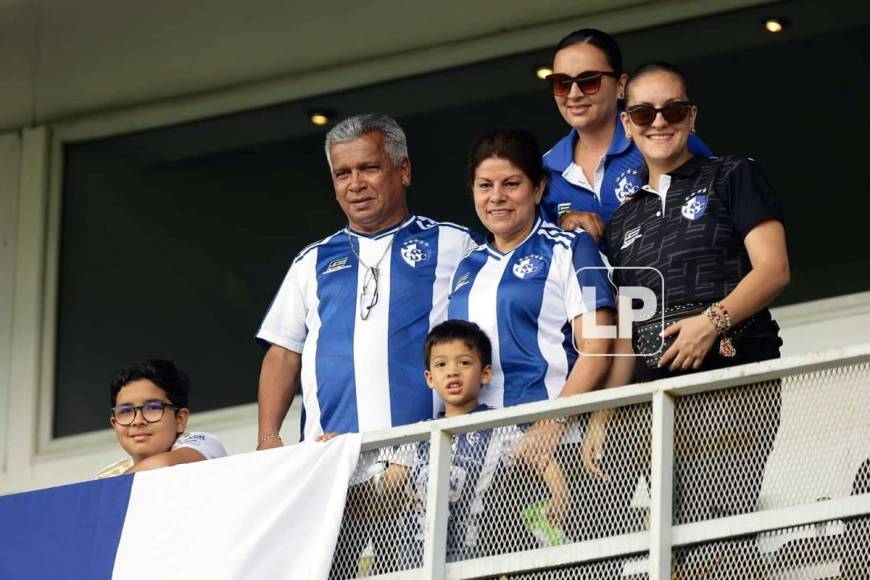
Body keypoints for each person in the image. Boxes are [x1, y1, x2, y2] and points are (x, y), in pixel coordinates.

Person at [595, 62, 789, 575]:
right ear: (627, 122)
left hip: (731, 374)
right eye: (643, 112)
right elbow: (629, 328)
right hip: (653, 394)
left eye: (673, 110)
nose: (660, 122)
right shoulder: (622, 221)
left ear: (692, 116)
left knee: (718, 527)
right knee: (662, 537)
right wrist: (602, 414)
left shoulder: (732, 173)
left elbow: (774, 270)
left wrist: (712, 322)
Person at [256, 114, 479, 448]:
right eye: (342, 173)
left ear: (403, 171)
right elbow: (283, 354)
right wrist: (268, 436)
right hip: (330, 457)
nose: (355, 184)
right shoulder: (311, 261)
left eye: (369, 168)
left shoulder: (455, 243)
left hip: (428, 451)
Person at [448, 129, 615, 551]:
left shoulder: (570, 247)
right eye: (485, 186)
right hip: (487, 463)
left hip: (560, 448)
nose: (497, 197)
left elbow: (600, 346)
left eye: (511, 184)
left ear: (538, 188)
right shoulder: (466, 267)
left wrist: (551, 424)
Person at [541, 28, 712, 241]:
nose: (574, 94)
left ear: (621, 86)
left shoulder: (662, 134)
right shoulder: (544, 170)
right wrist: (561, 225)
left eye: (589, 80)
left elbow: (718, 208)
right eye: (562, 83)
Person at [96, 359, 227, 478]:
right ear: (114, 424)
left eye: (152, 407)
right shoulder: (105, 477)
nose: (137, 421)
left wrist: (110, 489)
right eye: (125, 411)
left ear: (180, 419)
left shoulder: (204, 444)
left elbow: (163, 464)